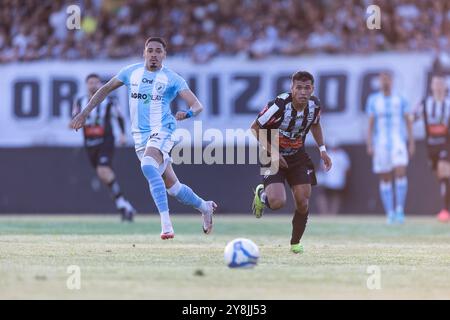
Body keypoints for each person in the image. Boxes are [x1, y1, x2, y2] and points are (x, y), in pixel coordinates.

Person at [70, 37, 217, 239]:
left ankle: (166, 226)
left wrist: (188, 114)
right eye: (150, 50)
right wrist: (85, 113)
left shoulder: (172, 79)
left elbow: (197, 105)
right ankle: (205, 207)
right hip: (140, 137)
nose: (154, 55)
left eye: (158, 51)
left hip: (163, 129)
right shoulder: (131, 72)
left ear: (164, 55)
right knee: (174, 189)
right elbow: (104, 89)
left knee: (148, 165)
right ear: (144, 53)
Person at [251, 71, 332, 254]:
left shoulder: (314, 105)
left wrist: (322, 150)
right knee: (278, 202)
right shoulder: (278, 105)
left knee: (303, 201)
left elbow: (316, 124)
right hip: (272, 155)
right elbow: (255, 128)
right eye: (299, 88)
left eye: (307, 88)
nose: (303, 92)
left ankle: (295, 243)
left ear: (312, 89)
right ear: (292, 89)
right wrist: (274, 152)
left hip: (297, 156)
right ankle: (262, 195)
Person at [72, 73, 136, 221]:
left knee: (103, 169)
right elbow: (74, 118)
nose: (93, 85)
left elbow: (119, 116)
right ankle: (123, 204)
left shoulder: (110, 101)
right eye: (90, 83)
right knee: (103, 174)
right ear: (86, 85)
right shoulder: (80, 101)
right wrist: (72, 124)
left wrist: (122, 134)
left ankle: (122, 204)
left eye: (96, 82)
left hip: (105, 140)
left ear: (100, 84)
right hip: (89, 143)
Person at [366, 72, 415, 224]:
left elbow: (408, 121)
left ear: (392, 81)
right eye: (382, 80)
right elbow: (370, 124)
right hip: (380, 143)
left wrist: (411, 142)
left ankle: (400, 210)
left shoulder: (400, 99)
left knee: (400, 171)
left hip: (397, 141)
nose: (385, 82)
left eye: (388, 80)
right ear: (379, 82)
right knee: (385, 176)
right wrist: (369, 143)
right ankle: (390, 212)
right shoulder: (373, 100)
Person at [414, 74, 450, 222]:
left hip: (446, 144)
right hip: (431, 147)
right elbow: (412, 117)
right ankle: (446, 205)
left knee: (444, 171)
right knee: (441, 177)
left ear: (445, 86)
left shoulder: (448, 103)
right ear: (432, 86)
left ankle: (445, 210)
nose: (439, 86)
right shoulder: (424, 103)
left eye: (441, 84)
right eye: (436, 84)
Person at [315, 139, 350, 215]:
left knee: (335, 197)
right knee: (323, 196)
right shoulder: (329, 153)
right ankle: (325, 213)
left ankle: (332, 214)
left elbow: (346, 169)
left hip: (338, 181)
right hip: (328, 180)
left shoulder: (342, 155)